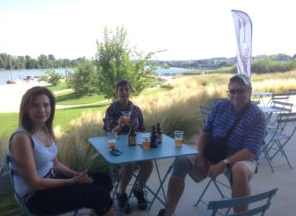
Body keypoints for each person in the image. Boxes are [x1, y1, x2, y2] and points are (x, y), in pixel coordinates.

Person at [157, 74, 267, 216]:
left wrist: (224, 163)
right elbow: (206, 132)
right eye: (232, 91)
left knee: (239, 170)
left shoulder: (258, 116)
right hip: (215, 152)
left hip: (241, 157)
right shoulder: (220, 106)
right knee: (181, 161)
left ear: (249, 91)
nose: (236, 95)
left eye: (241, 90)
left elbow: (250, 151)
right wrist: (201, 156)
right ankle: (168, 211)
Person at [8, 86, 115, 216]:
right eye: (35, 106)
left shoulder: (44, 128)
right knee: (101, 196)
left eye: (45, 105)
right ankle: (99, 207)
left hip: (53, 179)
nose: (41, 110)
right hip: (37, 197)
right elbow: (34, 183)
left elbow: (55, 163)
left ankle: (96, 209)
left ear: (51, 107)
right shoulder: (22, 138)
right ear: (26, 109)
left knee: (104, 179)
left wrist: (75, 174)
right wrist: (70, 182)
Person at [104, 80, 153, 213]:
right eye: (121, 90)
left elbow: (142, 128)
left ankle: (138, 190)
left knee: (149, 163)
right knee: (129, 164)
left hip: (135, 145)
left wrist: (147, 137)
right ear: (117, 92)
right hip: (118, 147)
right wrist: (119, 126)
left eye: (127, 89)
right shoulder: (111, 111)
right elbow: (109, 135)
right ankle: (121, 193)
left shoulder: (136, 110)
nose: (124, 92)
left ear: (130, 91)